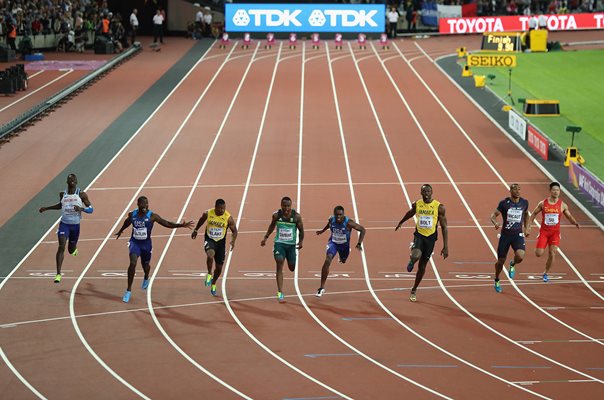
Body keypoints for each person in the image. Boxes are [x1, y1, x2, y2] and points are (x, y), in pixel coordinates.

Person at [115, 196, 193, 303]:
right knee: (132, 263)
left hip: (146, 245)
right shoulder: (132, 215)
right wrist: (120, 230)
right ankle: (128, 290)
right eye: (143, 204)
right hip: (135, 243)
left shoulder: (152, 216)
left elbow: (167, 223)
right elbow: (127, 222)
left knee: (145, 266)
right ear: (138, 204)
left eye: (147, 204)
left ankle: (146, 276)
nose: (146, 206)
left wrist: (180, 225)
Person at [395, 184, 448, 302]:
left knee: (422, 266)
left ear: (432, 192)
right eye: (424, 191)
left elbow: (444, 227)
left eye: (428, 191)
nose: (426, 193)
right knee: (415, 255)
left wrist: (445, 246)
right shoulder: (417, 204)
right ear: (421, 192)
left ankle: (414, 289)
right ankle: (412, 260)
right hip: (419, 235)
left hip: (431, 238)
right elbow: (411, 212)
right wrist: (401, 222)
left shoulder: (439, 207)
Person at [39, 174, 93, 283]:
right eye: (69, 179)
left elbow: (91, 210)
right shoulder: (62, 194)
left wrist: (81, 209)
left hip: (75, 226)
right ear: (67, 182)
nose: (71, 180)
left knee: (70, 250)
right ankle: (58, 274)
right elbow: (60, 205)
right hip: (64, 224)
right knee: (61, 246)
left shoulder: (81, 194)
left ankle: (74, 249)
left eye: (73, 179)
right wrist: (47, 208)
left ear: (76, 181)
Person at [527, 182, 579, 282]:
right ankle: (541, 248)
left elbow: (569, 216)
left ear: (559, 192)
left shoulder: (562, 205)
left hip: (555, 233)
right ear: (550, 191)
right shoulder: (543, 203)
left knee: (552, 253)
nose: (556, 192)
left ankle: (545, 273)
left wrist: (575, 222)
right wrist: (529, 226)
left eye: (558, 190)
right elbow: (533, 214)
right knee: (538, 253)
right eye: (554, 190)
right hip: (544, 232)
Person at [260, 197, 304, 301]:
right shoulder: (276, 215)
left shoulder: (296, 217)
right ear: (281, 205)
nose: (286, 208)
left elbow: (301, 230)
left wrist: (301, 242)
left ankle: (291, 259)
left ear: (291, 206)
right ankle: (280, 291)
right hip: (279, 243)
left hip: (291, 245)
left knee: (292, 267)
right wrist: (265, 237)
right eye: (284, 206)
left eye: (288, 206)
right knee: (279, 262)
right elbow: (271, 226)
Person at [315, 206, 365, 297]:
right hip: (333, 243)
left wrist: (359, 243)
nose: (338, 217)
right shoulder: (331, 220)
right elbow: (328, 225)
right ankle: (321, 288)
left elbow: (362, 229)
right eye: (336, 215)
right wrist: (322, 231)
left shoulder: (349, 223)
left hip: (344, 246)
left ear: (343, 215)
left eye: (340, 215)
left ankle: (342, 257)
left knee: (343, 260)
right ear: (334, 214)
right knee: (327, 260)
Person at [191, 199, 237, 296]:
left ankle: (214, 283)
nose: (222, 210)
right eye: (220, 208)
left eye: (224, 208)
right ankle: (209, 273)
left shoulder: (228, 218)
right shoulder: (208, 213)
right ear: (215, 207)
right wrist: (195, 230)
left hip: (220, 242)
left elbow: (235, 231)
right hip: (210, 239)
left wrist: (233, 241)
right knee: (210, 255)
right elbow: (201, 220)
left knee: (219, 268)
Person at [489, 183, 529, 293]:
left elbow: (526, 214)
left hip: (518, 235)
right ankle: (497, 279)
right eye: (515, 189)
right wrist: (495, 223)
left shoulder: (524, 203)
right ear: (510, 191)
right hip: (505, 236)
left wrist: (527, 227)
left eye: (519, 189)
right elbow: (493, 215)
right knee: (500, 261)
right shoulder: (504, 203)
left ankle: (513, 264)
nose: (518, 191)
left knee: (520, 256)